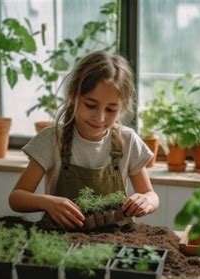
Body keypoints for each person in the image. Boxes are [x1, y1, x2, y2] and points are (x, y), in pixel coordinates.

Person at [9, 51, 159, 229]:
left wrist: (146, 201)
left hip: (117, 238)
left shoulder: (127, 140)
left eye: (111, 109)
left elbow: (150, 194)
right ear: (73, 96)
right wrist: (48, 202)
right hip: (61, 239)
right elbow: (16, 198)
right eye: (91, 105)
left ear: (121, 108)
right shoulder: (52, 140)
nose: (100, 117)